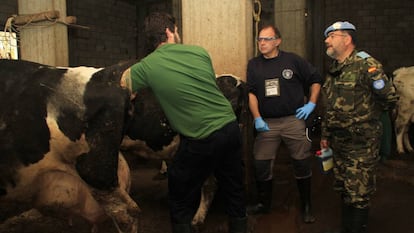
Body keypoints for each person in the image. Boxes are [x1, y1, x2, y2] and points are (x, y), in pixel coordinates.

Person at [121, 12, 247, 233]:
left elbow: (122, 85)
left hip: (200, 139)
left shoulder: (146, 66)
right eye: (176, 30)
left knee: (179, 195)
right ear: (170, 32)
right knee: (234, 189)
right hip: (229, 128)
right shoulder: (200, 53)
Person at [320, 21, 397, 233]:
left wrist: (365, 119)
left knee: (359, 194)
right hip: (339, 142)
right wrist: (325, 135)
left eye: (332, 36)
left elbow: (389, 98)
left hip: (361, 143)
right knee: (345, 189)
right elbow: (330, 107)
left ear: (347, 39)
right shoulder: (335, 69)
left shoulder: (366, 65)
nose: (327, 40)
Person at [246, 24, 322, 224]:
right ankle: (264, 203)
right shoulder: (254, 65)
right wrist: (257, 118)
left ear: (278, 41)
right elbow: (251, 93)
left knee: (301, 161)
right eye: (259, 39)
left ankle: (306, 205)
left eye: (267, 39)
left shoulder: (293, 60)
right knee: (261, 163)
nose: (262, 43)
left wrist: (312, 103)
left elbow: (315, 79)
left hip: (293, 120)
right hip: (267, 123)